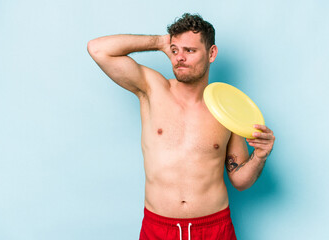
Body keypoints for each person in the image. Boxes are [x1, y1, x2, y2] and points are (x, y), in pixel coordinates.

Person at [87, 13, 275, 240]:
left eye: (190, 50)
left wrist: (260, 156)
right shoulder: (152, 89)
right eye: (175, 50)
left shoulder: (226, 108)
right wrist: (160, 42)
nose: (179, 58)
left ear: (211, 53)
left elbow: (239, 180)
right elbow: (98, 49)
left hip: (214, 229)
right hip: (158, 228)